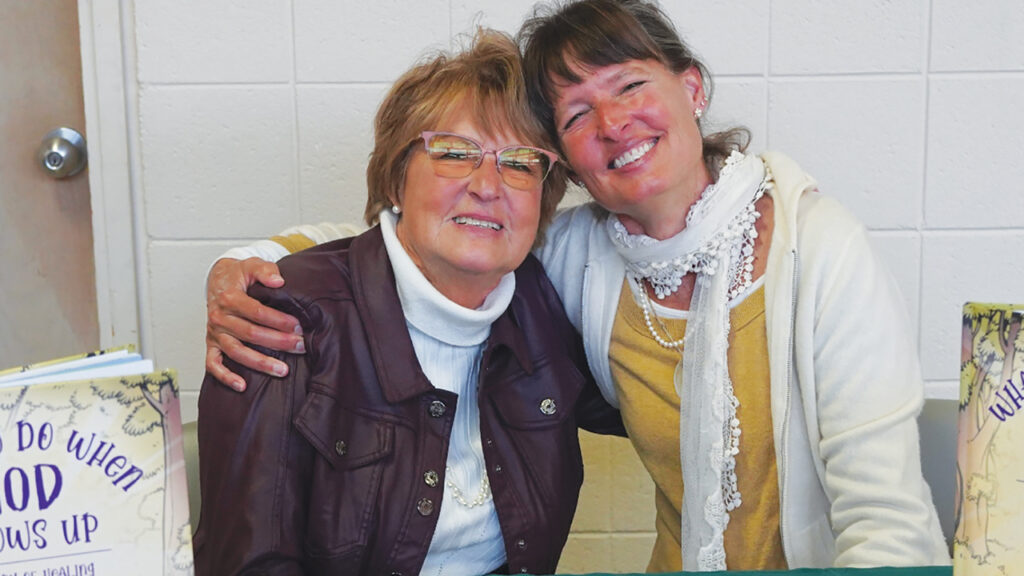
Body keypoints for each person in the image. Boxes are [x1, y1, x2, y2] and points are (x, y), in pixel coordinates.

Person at [204, 0, 951, 571]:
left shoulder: (815, 248)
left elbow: (886, 519)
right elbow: (422, 241)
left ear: (692, 87)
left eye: (630, 84)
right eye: (578, 113)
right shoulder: (572, 258)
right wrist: (249, 265)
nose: (615, 122)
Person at [194, 29, 624, 576]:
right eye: (454, 153)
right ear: (397, 180)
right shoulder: (283, 321)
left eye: (519, 163)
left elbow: (662, 412)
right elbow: (251, 563)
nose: (488, 185)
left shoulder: (546, 307)